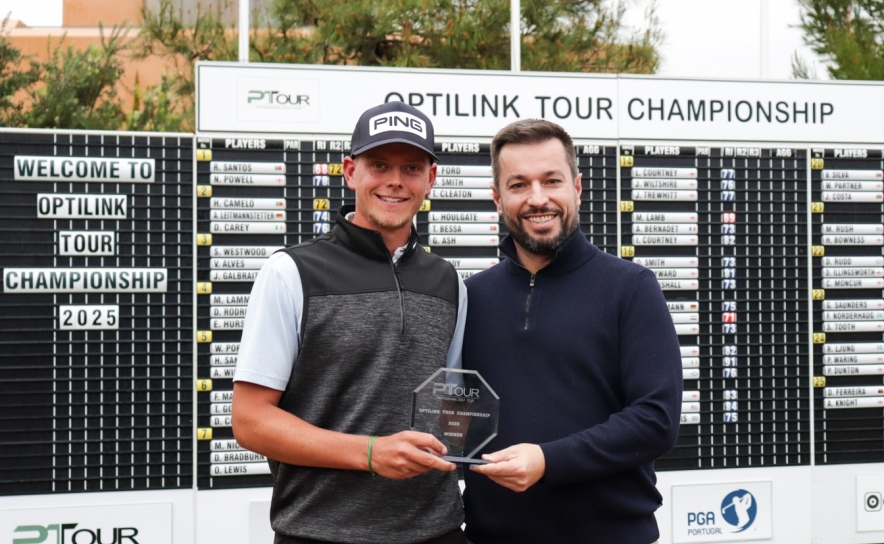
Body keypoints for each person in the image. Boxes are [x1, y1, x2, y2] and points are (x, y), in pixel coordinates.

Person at [232, 101, 468, 544]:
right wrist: (370, 453)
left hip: (437, 530)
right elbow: (250, 421)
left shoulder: (449, 281)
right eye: (379, 164)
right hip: (320, 532)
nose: (395, 181)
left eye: (411, 167)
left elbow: (451, 409)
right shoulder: (290, 272)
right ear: (350, 171)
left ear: (431, 179)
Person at [461, 119, 682, 544]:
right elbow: (458, 416)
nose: (537, 198)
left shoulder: (631, 288)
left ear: (577, 188)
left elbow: (656, 420)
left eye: (552, 180)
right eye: (519, 184)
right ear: (497, 197)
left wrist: (547, 460)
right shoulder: (472, 297)